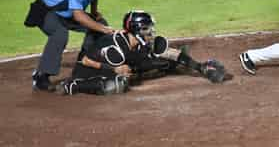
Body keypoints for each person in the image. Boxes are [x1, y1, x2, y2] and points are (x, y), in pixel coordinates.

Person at [56, 10, 226, 95]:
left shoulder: (139, 42)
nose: (150, 32)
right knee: (116, 84)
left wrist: (200, 67)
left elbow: (168, 51)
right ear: (137, 29)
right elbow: (85, 60)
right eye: (147, 29)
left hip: (118, 64)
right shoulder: (116, 47)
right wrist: (113, 69)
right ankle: (73, 86)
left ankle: (131, 72)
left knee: (161, 59)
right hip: (88, 71)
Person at [24, 0, 117, 91]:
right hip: (46, 11)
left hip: (67, 12)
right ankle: (41, 76)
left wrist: (94, 12)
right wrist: (103, 28)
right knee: (60, 34)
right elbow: (78, 16)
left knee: (100, 24)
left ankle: (84, 64)